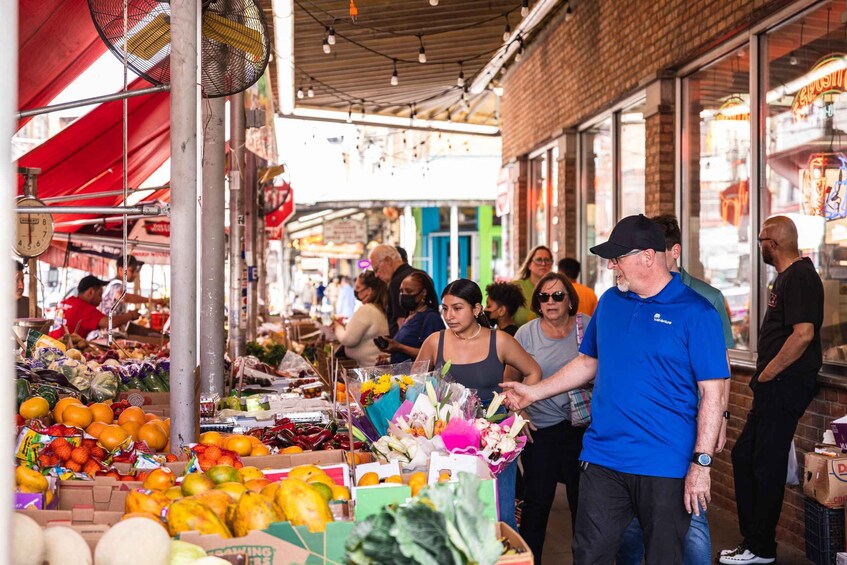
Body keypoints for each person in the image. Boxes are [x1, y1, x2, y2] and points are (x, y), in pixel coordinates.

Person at [502, 214, 728, 565]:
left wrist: (702, 464)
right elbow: (587, 362)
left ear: (648, 257)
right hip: (603, 457)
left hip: (664, 462)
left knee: (663, 557)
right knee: (589, 554)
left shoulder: (697, 313)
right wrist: (534, 392)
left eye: (618, 257)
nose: (611, 266)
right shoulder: (610, 302)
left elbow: (713, 392)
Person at [618, 214, 736, 565]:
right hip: (640, 433)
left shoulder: (705, 298)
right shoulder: (629, 296)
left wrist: (722, 419)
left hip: (689, 424)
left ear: (673, 251)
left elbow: (721, 370)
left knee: (692, 516)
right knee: (634, 524)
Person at [719, 216, 823, 565]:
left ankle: (761, 548)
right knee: (745, 456)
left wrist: (768, 374)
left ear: (772, 244)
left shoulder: (801, 277)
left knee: (766, 465)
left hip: (784, 386)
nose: (758, 244)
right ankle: (754, 541)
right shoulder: (785, 278)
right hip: (772, 386)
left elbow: (804, 334)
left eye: (761, 239)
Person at [416, 278, 542, 531]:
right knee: (455, 511)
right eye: (445, 308)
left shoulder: (500, 341)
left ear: (476, 309)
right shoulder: (434, 342)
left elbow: (533, 371)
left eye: (457, 308)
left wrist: (519, 408)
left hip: (495, 440)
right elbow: (414, 386)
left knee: (500, 512)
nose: (449, 315)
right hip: (447, 439)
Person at [511, 272, 587, 564]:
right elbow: (510, 381)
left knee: (584, 503)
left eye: (558, 296)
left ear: (570, 301)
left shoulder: (586, 327)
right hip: (541, 430)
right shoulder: (526, 334)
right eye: (544, 297)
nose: (551, 301)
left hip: (581, 429)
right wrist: (521, 414)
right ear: (537, 302)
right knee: (537, 504)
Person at [368, 244, 437, 336]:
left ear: (388, 260)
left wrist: (397, 346)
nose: (376, 275)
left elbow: (401, 324)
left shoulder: (398, 283)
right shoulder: (421, 274)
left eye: (376, 269)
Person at [377, 271, 442, 363]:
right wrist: (388, 358)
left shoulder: (431, 318)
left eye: (409, 291)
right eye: (401, 291)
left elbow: (432, 354)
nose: (403, 295)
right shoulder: (410, 317)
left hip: (417, 376)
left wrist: (399, 347)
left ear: (423, 292)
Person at [50, 275, 139, 340]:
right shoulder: (84, 308)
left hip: (51, 343)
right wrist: (130, 315)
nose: (101, 300)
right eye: (100, 294)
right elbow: (110, 323)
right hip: (64, 350)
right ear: (90, 292)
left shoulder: (67, 301)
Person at [332, 271, 389, 367]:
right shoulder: (379, 309)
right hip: (374, 367)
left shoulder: (367, 310)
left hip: (370, 368)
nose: (355, 291)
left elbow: (348, 339)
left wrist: (337, 327)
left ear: (369, 290)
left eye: (358, 288)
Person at [513, 246, 554, 327]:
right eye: (539, 260)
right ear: (529, 265)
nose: (543, 264)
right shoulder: (516, 287)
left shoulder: (556, 288)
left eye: (547, 260)